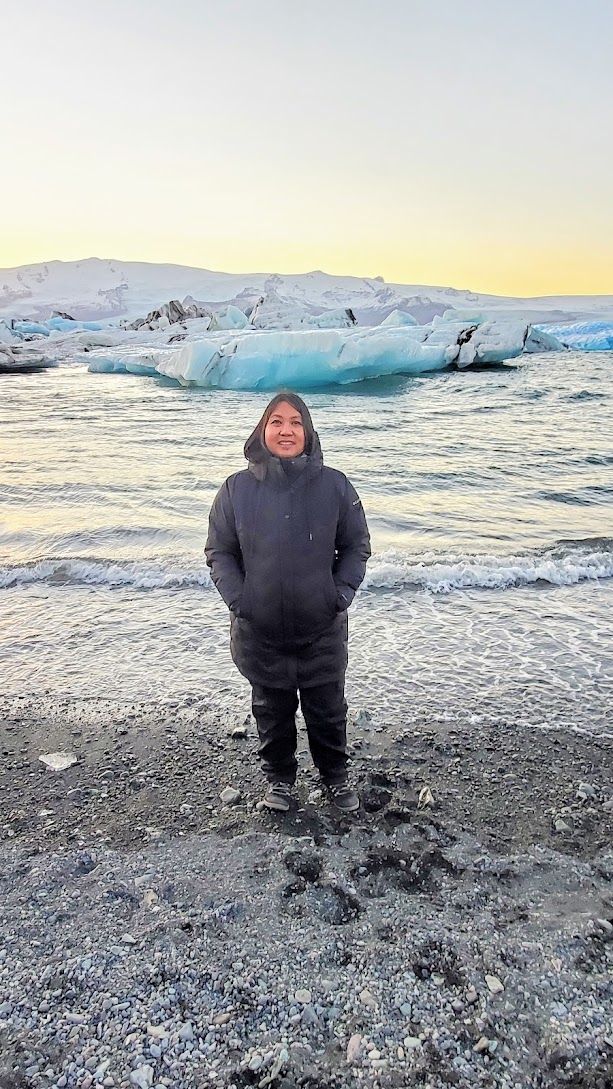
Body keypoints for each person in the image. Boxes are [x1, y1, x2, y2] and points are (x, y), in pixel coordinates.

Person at [205, 392, 371, 813]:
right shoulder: (236, 489)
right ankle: (279, 781)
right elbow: (219, 551)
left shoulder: (335, 485)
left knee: (328, 709)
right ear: (263, 430)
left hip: (321, 627)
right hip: (259, 629)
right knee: (271, 710)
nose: (286, 430)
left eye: (296, 422)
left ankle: (335, 779)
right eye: (277, 421)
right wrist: (240, 600)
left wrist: (339, 595)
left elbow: (357, 546)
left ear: (308, 432)